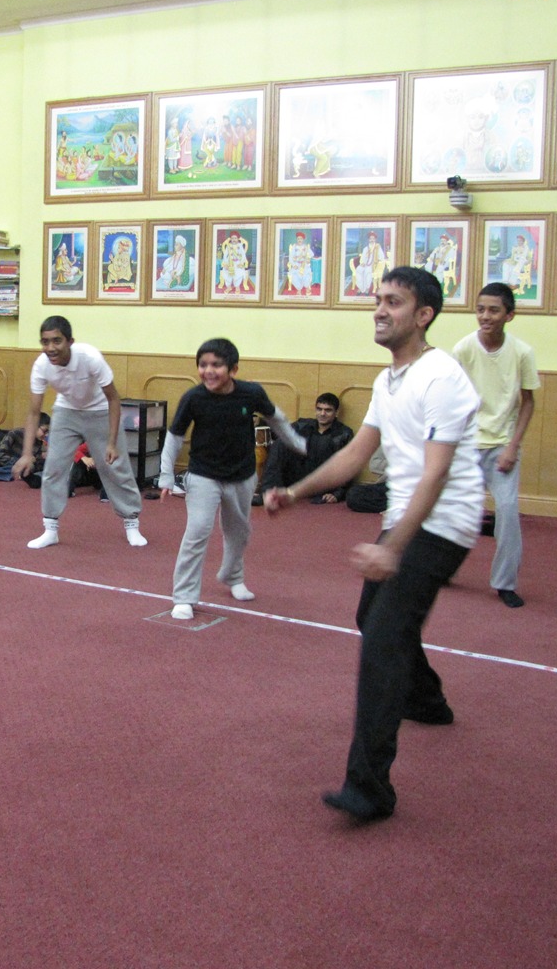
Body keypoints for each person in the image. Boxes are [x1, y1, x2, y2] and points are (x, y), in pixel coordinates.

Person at [265, 266, 482, 823]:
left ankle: (370, 789)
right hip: (410, 520)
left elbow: (435, 476)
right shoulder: (389, 381)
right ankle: (427, 701)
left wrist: (392, 548)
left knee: (383, 639)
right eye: (378, 300)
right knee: (374, 613)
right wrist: (294, 489)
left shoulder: (442, 377)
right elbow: (355, 456)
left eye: (394, 302)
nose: (380, 310)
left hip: (442, 524)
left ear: (424, 314)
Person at [158, 338, 308, 620]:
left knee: (239, 532)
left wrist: (298, 444)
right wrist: (166, 476)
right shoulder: (193, 398)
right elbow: (175, 436)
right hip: (203, 475)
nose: (208, 371)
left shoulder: (251, 393)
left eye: (216, 365)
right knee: (197, 532)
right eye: (203, 365)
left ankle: (233, 577)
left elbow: (277, 418)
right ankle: (184, 596)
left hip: (242, 475)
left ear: (233, 369)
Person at [11, 316, 146, 549]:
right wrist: (26, 454)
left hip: (100, 411)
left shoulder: (90, 358)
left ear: (70, 341)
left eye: (56, 341)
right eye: (45, 342)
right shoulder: (41, 365)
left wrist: (112, 443)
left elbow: (114, 399)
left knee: (114, 467)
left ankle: (131, 522)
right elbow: (34, 412)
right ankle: (50, 528)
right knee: (53, 467)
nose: (50, 348)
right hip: (67, 411)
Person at [453, 283, 540, 609]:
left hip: (502, 444)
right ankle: (443, 569)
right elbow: (454, 399)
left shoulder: (522, 353)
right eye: (480, 309)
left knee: (506, 511)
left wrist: (512, 446)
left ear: (509, 315)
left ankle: (504, 582)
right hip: (466, 444)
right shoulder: (463, 349)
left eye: (493, 310)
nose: (485, 316)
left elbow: (528, 402)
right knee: (453, 510)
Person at [253, 392, 355, 506]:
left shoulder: (344, 433)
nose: (322, 413)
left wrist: (338, 493)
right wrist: (260, 421)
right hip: (298, 474)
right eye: (319, 409)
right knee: (280, 444)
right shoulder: (303, 425)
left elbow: (348, 465)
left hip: (322, 478)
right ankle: (267, 493)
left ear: (336, 412)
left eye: (328, 410)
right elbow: (281, 430)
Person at [0, 413, 49, 485]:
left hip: (15, 467)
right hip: (3, 463)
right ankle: (12, 475)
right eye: (44, 431)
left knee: (37, 469)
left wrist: (37, 459)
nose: (46, 435)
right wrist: (18, 462)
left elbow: (35, 463)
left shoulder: (39, 443)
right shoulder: (15, 433)